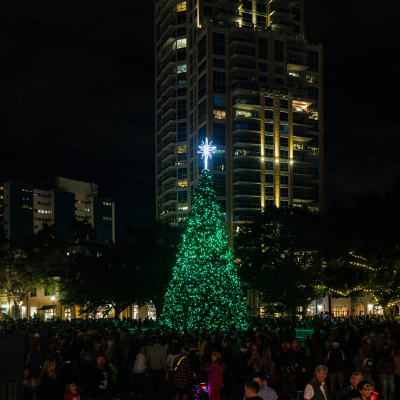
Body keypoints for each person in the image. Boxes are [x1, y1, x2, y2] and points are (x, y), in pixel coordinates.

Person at [146, 336, 167, 400]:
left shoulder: (149, 348)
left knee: (151, 384)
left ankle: (151, 397)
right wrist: (165, 367)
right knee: (162, 384)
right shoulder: (162, 349)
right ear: (160, 342)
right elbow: (163, 359)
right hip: (160, 368)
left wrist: (147, 368)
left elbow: (147, 359)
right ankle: (162, 397)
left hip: (152, 368)